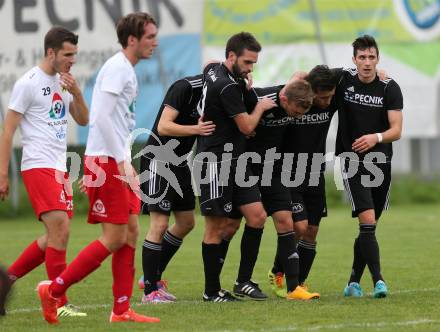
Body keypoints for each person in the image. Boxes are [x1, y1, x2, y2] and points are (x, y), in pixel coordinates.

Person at [36, 12, 161, 324]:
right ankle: (54, 290)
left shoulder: (126, 70)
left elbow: (114, 121)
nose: (154, 43)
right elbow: (101, 117)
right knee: (116, 237)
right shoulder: (119, 69)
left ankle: (121, 310)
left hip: (113, 159)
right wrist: (118, 162)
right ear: (132, 40)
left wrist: (121, 160)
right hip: (109, 161)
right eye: (149, 37)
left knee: (131, 232)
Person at [0, 26, 88, 317]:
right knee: (59, 229)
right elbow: (8, 130)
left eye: (75, 54)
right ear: (51, 52)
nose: (72, 59)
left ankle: (4, 282)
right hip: (38, 165)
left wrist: (76, 93)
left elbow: (83, 119)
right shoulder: (28, 82)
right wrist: (3, 173)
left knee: (54, 236)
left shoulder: (65, 81)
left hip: (59, 167)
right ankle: (57, 302)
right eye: (68, 54)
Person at [194, 32, 276, 302]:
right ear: (232, 56)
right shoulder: (227, 87)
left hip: (236, 161)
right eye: (248, 62)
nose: (251, 68)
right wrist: (261, 106)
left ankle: (243, 282)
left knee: (257, 216)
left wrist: (244, 82)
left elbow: (208, 65)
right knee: (216, 227)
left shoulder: (215, 70)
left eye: (253, 63)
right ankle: (211, 291)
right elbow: (247, 126)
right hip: (215, 161)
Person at [137, 74, 215, 303]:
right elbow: (164, 126)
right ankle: (150, 292)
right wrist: (196, 130)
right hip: (158, 158)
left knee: (186, 222)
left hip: (179, 162)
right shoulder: (185, 88)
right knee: (159, 224)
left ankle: (151, 277)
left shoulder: (220, 92)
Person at [335, 35, 403, 298]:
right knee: (367, 220)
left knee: (369, 227)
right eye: (361, 57)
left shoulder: (389, 87)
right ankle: (379, 281)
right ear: (354, 60)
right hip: (352, 161)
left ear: (378, 59)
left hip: (380, 163)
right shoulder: (343, 80)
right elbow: (306, 77)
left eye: (371, 57)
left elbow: (396, 129)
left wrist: (375, 137)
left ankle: (353, 281)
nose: (366, 62)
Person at [242, 79, 321, 300]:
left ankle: (293, 288)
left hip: (272, 169)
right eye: (295, 112)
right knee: (228, 226)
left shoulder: (296, 96)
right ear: (284, 100)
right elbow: (231, 113)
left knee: (289, 221)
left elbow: (303, 77)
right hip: (244, 166)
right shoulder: (257, 98)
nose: (298, 117)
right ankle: (241, 281)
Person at [268, 65, 338, 297]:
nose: (327, 102)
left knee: (312, 231)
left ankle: (298, 283)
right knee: (299, 226)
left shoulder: (330, 100)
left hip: (315, 173)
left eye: (330, 97)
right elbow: (294, 79)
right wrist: (296, 76)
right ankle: (281, 275)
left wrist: (379, 73)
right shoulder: (297, 103)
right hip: (288, 173)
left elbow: (349, 73)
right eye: (323, 97)